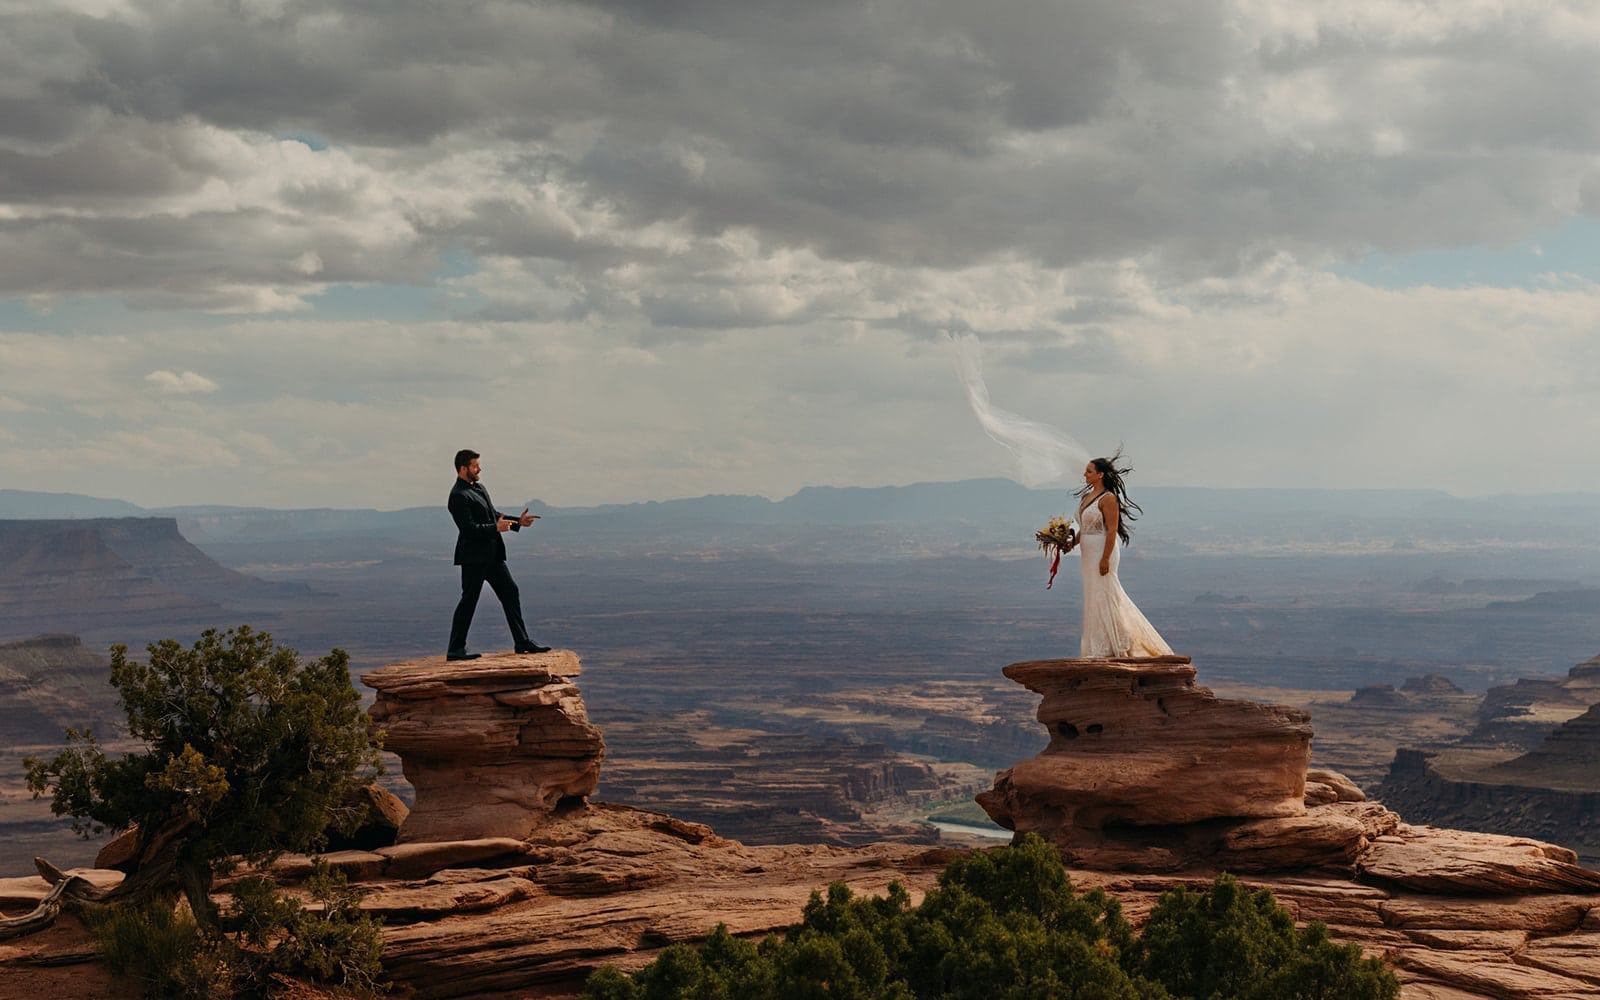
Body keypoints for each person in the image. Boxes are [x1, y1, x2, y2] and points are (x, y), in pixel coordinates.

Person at [1063, 451, 1172, 658]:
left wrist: (1105, 558)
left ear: (1100, 475)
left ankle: (1116, 643)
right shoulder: (1086, 497)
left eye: (1089, 471)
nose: (1085, 474)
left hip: (1103, 550)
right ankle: (1098, 643)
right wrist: (1071, 544)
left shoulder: (1109, 499)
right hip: (1088, 553)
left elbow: (1112, 529)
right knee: (1093, 594)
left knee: (1105, 592)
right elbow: (1085, 528)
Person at [445, 449, 550, 661]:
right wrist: (495, 528)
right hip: (474, 558)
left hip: (492, 556)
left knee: (510, 592)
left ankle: (522, 642)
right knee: (469, 601)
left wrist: (517, 522)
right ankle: (455, 649)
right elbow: (468, 529)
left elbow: (493, 515)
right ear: (463, 468)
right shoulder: (458, 496)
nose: (479, 469)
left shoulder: (479, 488)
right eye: (475, 466)